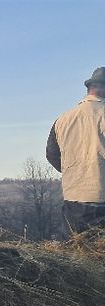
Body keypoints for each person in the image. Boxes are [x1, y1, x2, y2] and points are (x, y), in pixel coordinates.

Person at [46, 67, 105, 233]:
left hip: (73, 200)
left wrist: (75, 174)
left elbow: (51, 155)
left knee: (77, 255)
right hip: (102, 200)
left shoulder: (63, 119)